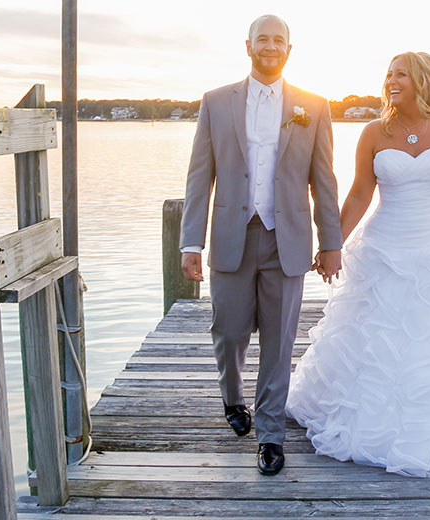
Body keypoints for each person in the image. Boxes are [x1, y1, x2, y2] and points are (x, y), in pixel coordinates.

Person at [286, 51, 430, 478]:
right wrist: (331, 244)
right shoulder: (374, 132)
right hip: (385, 248)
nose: (391, 81)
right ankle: (370, 424)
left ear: (423, 81)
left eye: (401, 75)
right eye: (389, 75)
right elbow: (358, 195)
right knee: (376, 336)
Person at [179, 14, 342, 476]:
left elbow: (324, 181)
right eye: (261, 40)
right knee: (228, 331)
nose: (269, 46)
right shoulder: (216, 102)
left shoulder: (313, 105)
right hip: (232, 234)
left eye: (278, 40)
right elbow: (199, 176)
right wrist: (191, 241)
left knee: (279, 340)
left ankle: (270, 435)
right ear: (247, 46)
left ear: (289, 49)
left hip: (286, 239)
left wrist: (332, 241)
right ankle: (233, 399)